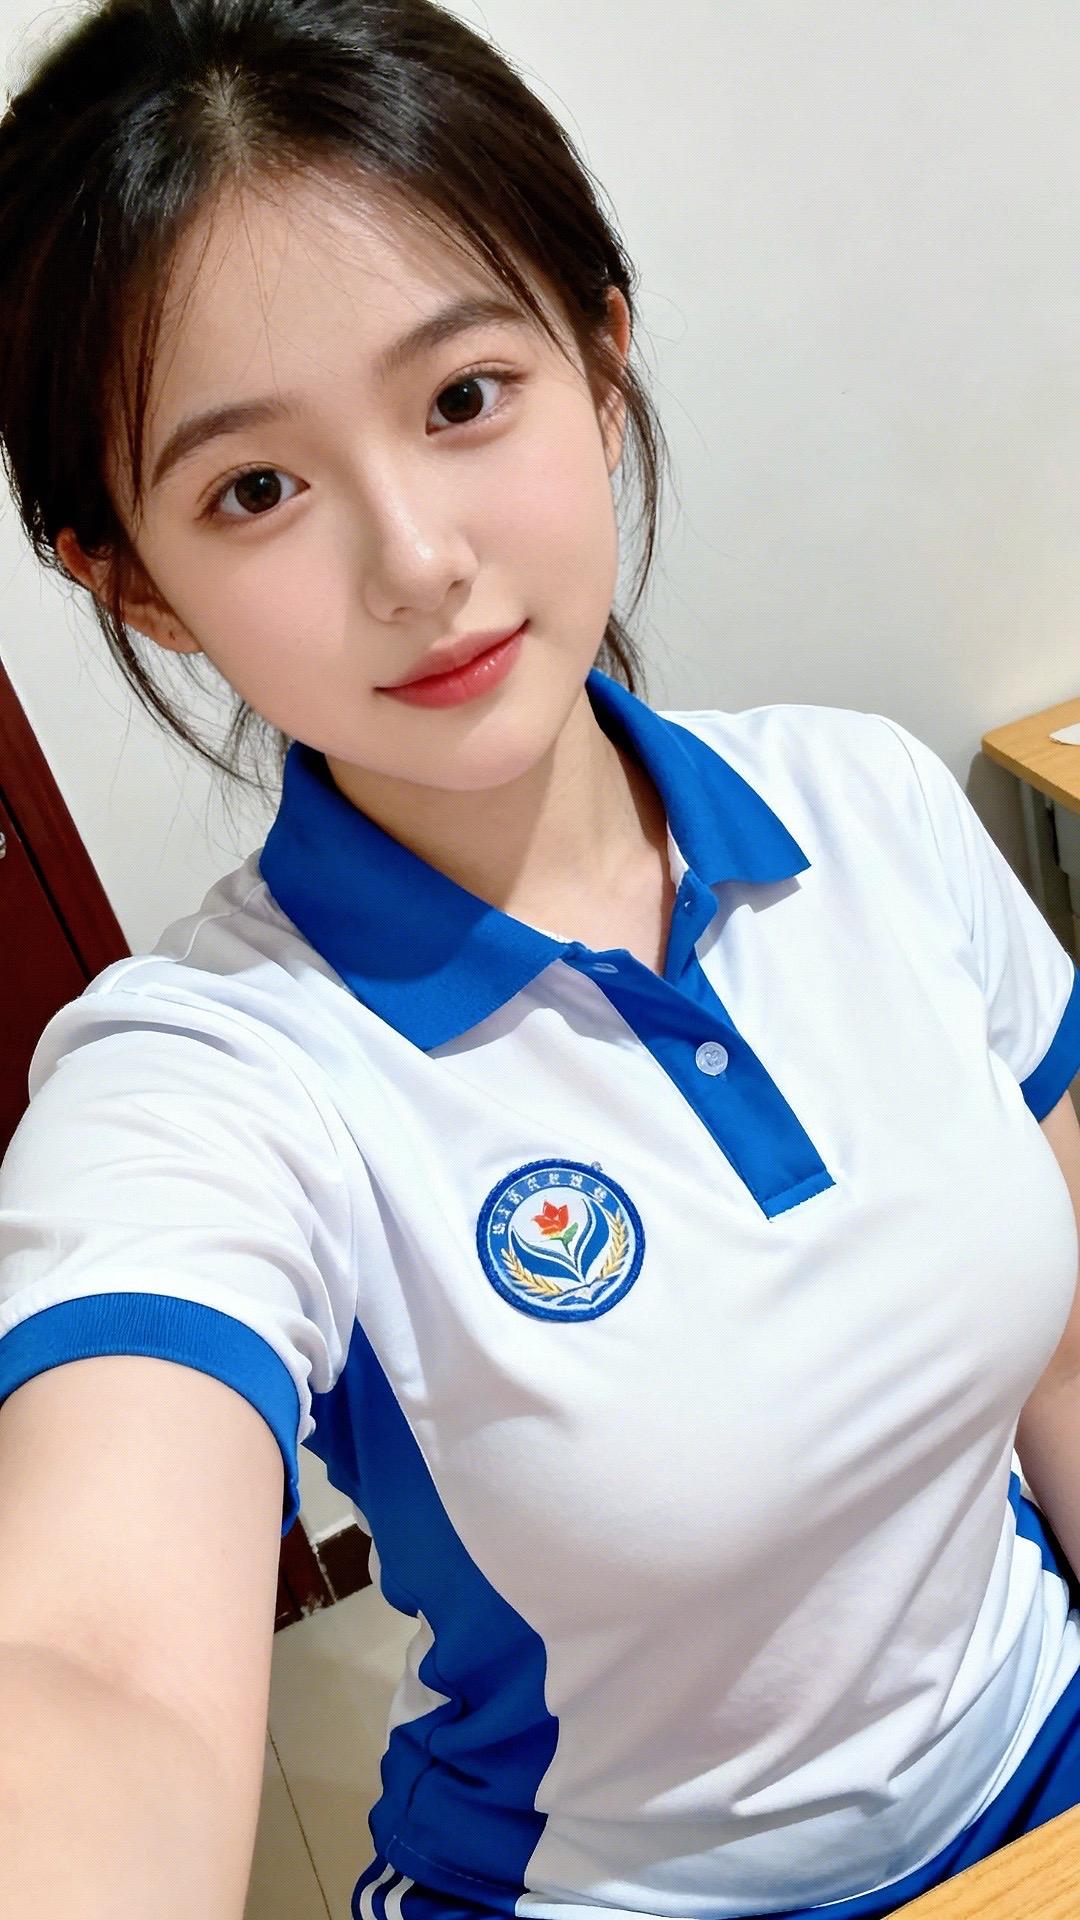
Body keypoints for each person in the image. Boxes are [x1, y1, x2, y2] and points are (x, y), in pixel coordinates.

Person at [2, 2, 1080, 1916]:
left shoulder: (873, 809)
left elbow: (1068, 1340)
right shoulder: (207, 1076)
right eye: (256, 489)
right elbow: (91, 1669)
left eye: (462, 396)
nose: (416, 559)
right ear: (136, 579)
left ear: (599, 352)